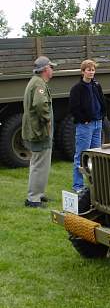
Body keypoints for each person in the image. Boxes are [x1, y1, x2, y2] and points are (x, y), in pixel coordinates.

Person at [22, 56, 56, 208]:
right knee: (39, 164)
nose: (53, 70)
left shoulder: (36, 82)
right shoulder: (38, 83)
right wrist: (48, 119)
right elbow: (40, 104)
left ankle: (38, 194)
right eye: (51, 67)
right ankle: (33, 199)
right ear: (45, 69)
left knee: (41, 164)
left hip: (37, 130)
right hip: (39, 132)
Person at [69, 59, 106, 193]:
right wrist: (83, 119)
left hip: (98, 123)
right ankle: (78, 185)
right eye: (88, 70)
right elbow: (74, 108)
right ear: (83, 71)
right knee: (81, 155)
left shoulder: (96, 85)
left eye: (93, 70)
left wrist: (102, 115)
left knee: (96, 155)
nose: (91, 72)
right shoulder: (77, 89)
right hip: (86, 125)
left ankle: (94, 185)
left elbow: (102, 100)